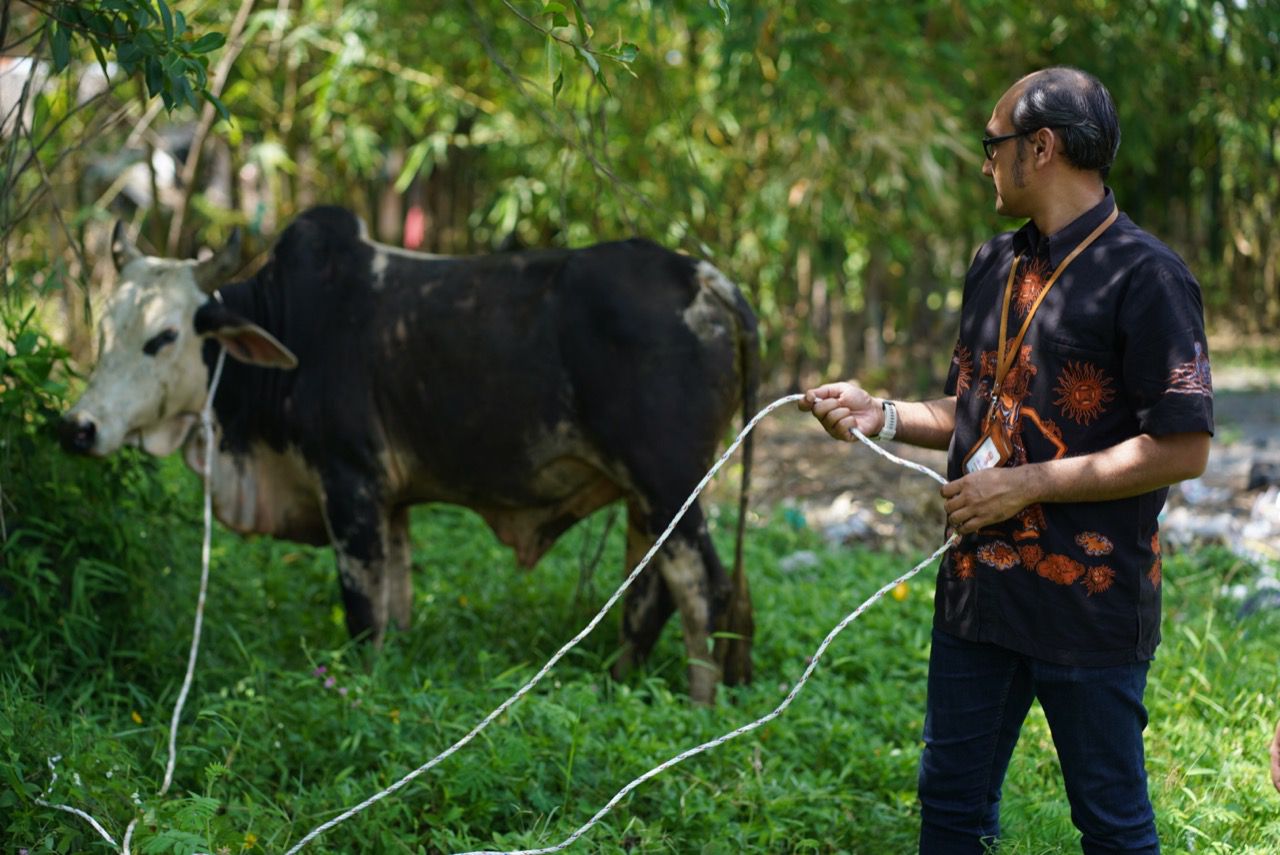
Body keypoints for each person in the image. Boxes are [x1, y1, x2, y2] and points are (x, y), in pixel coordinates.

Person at [802, 67, 1213, 854]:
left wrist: (1023, 485)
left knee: (1112, 825)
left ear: (1042, 147)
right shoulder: (993, 263)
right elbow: (977, 410)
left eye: (993, 146)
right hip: (976, 591)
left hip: (1088, 604)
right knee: (951, 810)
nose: (984, 162)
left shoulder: (1148, 277)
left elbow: (1183, 445)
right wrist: (879, 413)